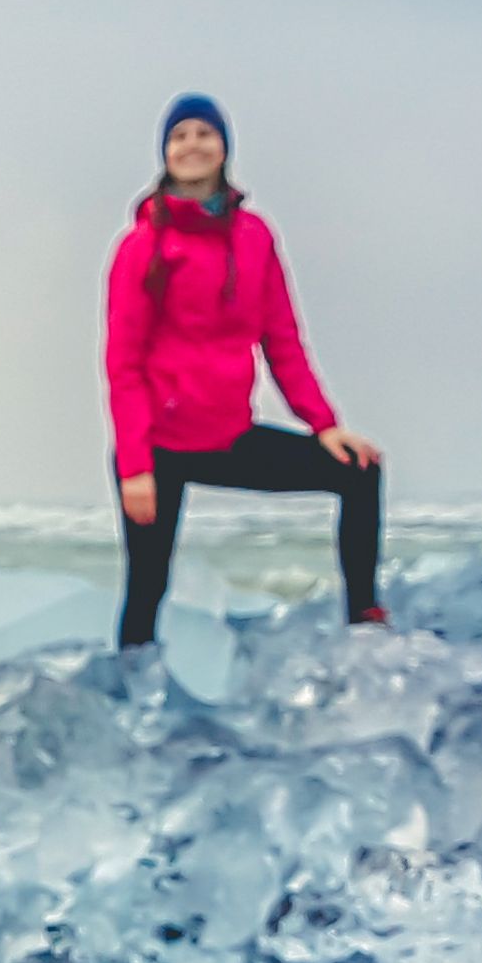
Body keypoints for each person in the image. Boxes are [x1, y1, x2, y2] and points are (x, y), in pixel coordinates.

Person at [106, 93, 385, 646]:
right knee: (146, 587)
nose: (192, 145)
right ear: (165, 153)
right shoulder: (142, 247)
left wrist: (325, 425)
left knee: (360, 472)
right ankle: (127, 698)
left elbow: (282, 341)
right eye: (179, 136)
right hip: (158, 447)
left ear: (224, 148)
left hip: (228, 436)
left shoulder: (254, 237)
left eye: (204, 134)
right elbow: (123, 364)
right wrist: (135, 465)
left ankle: (364, 623)